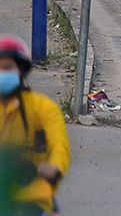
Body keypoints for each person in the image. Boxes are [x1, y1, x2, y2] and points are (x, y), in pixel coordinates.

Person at [0, 36, 71, 216]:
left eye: (7, 68)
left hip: (31, 198)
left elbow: (59, 144)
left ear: (21, 71)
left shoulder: (44, 108)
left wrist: (54, 166)